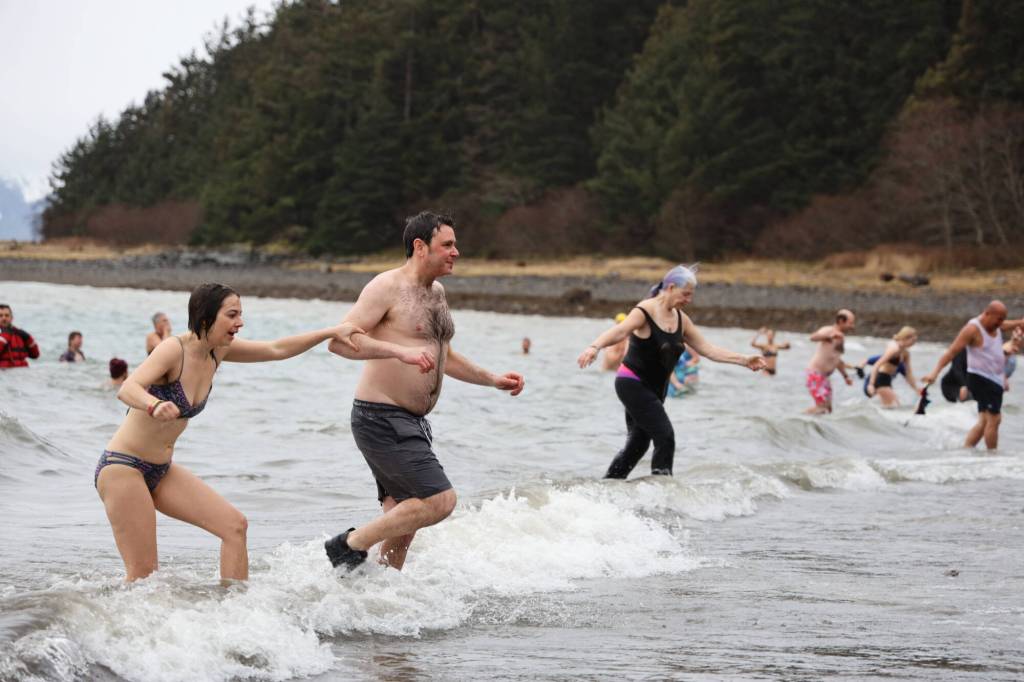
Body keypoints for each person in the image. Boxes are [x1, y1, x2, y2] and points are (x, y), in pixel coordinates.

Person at [95, 283, 363, 582]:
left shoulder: (218, 352)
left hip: (161, 470)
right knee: (144, 576)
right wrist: (154, 404)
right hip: (123, 467)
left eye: (241, 314)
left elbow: (276, 349)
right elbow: (128, 389)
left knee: (234, 527)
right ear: (206, 317)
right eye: (232, 314)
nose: (240, 323)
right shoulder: (173, 349)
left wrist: (328, 332)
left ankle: (234, 612)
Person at [324, 212, 525, 572]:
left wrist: (492, 379)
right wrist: (397, 352)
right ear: (420, 247)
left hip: (412, 422)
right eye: (447, 244)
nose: (456, 252)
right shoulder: (385, 287)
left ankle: (373, 600)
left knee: (403, 529)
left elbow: (441, 354)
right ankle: (348, 544)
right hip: (380, 417)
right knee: (439, 500)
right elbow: (340, 343)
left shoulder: (437, 293)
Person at [577, 265, 764, 479]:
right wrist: (594, 347)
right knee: (665, 435)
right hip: (632, 383)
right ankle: (663, 491)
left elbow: (708, 350)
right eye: (686, 294)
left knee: (638, 445)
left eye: (691, 296)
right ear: (671, 287)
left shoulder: (681, 320)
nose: (689, 300)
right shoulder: (645, 310)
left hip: (657, 389)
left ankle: (608, 487)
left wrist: (744, 360)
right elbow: (620, 330)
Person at [922, 300, 1024, 451]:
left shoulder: (995, 325)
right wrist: (934, 372)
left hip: (993, 378)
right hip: (981, 377)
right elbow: (951, 352)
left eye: (1003, 320)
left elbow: (1006, 326)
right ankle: (993, 457)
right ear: (987, 313)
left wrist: (1020, 323)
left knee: (984, 420)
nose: (1000, 324)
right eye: (998, 319)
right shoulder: (972, 329)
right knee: (995, 419)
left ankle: (967, 449)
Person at [804, 309, 856, 414]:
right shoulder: (829, 330)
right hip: (815, 374)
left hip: (824, 378)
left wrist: (845, 376)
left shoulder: (841, 337)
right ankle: (799, 419)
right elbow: (813, 337)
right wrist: (828, 337)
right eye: (850, 323)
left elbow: (837, 359)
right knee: (821, 408)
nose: (852, 326)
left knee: (828, 409)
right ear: (841, 321)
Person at [865, 326, 921, 408]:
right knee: (894, 406)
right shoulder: (894, 349)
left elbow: (908, 374)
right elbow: (877, 365)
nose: (914, 344)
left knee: (892, 406)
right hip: (880, 380)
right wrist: (871, 384)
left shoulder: (906, 353)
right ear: (906, 337)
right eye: (913, 341)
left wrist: (916, 389)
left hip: (887, 380)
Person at [0, 304, 40, 369]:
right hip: (3, 374)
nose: (4, 318)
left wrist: (28, 338)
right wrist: (5, 336)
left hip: (22, 373)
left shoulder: (19, 333)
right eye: (0, 316)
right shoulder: (4, 335)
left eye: (7, 315)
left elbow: (35, 355)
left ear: (11, 317)